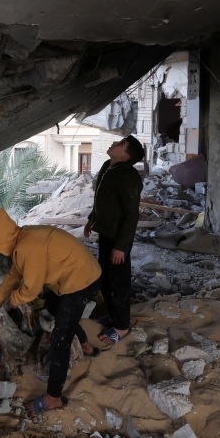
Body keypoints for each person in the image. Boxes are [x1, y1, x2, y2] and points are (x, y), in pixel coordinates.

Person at [0, 208, 101, 413]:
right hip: (76, 275)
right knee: (54, 308)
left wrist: (11, 303)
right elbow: (12, 277)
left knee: (61, 338)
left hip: (82, 281)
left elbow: (31, 290)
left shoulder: (27, 246)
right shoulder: (22, 238)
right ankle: (87, 346)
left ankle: (53, 397)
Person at [83, 135, 145, 345]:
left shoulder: (128, 177)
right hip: (106, 234)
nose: (115, 144)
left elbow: (131, 216)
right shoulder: (107, 167)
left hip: (119, 240)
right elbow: (101, 200)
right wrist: (92, 219)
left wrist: (120, 247)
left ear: (125, 156)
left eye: (120, 144)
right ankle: (112, 315)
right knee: (106, 278)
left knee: (118, 283)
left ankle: (121, 326)